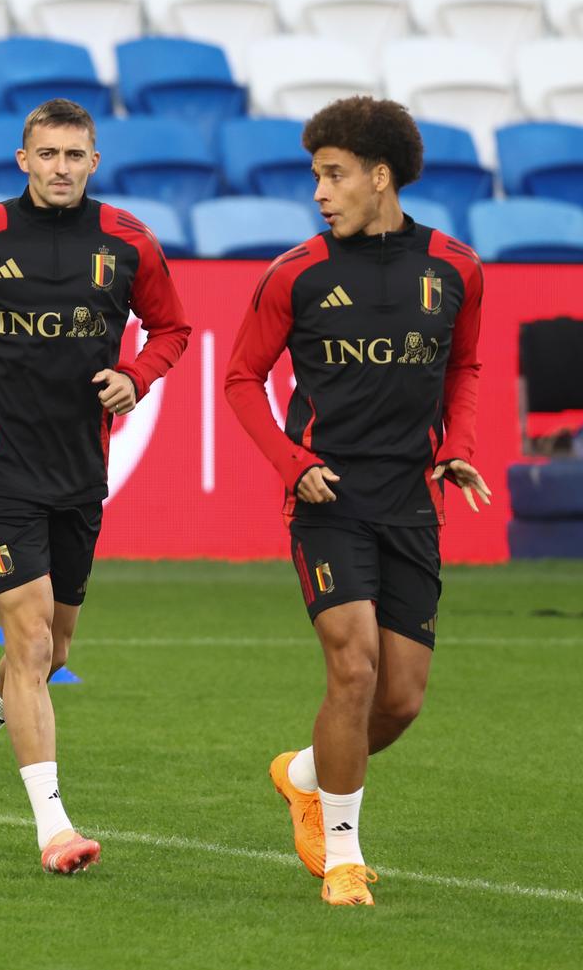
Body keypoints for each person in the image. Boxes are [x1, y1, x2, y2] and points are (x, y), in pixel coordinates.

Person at [0, 99, 190, 874]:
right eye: (47, 153)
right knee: (26, 641)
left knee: (53, 649)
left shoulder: (127, 243)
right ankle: (53, 825)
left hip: (79, 473)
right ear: (22, 160)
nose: (60, 166)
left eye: (74, 154)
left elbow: (174, 330)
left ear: (95, 162)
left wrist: (137, 375)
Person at [224, 96, 488, 908]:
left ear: (381, 177)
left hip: (410, 501)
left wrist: (458, 451)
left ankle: (304, 775)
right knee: (354, 666)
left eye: (334, 175)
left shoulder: (457, 268)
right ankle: (343, 856)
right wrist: (290, 462)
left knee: (401, 697)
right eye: (316, 175)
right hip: (328, 497)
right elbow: (239, 379)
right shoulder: (295, 273)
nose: (320, 192)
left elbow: (465, 370)